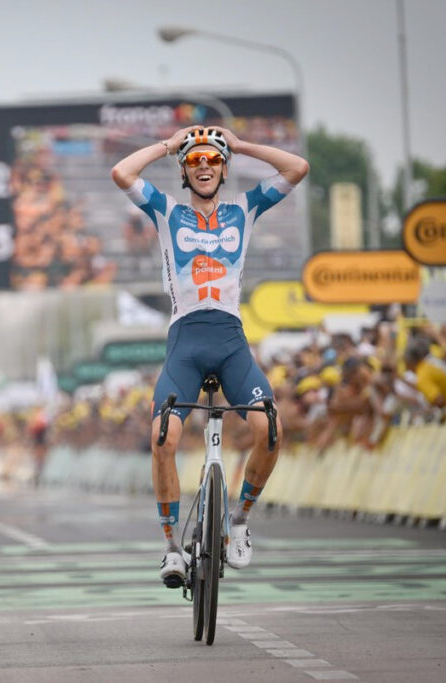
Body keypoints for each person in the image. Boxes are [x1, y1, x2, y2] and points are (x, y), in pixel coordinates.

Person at [111, 125, 309, 587]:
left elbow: (296, 167)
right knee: (163, 438)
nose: (204, 166)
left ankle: (239, 520)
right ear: (184, 169)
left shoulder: (245, 207)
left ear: (224, 169)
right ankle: (171, 548)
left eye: (214, 160)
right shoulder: (167, 210)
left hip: (231, 339)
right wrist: (169, 144)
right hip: (185, 341)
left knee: (269, 429)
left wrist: (239, 145)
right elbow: (122, 172)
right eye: (196, 160)